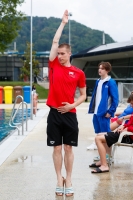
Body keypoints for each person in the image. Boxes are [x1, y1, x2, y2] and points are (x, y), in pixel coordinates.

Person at [46, 10, 86, 197]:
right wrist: (62, 23)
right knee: (56, 147)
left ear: (69, 54)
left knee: (68, 147)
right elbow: (55, 42)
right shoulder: (53, 64)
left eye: (63, 53)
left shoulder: (78, 73)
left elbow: (83, 95)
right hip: (54, 113)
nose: (60, 56)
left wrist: (72, 106)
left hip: (69, 114)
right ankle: (58, 178)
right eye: (58, 53)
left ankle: (68, 179)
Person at [87, 62, 119, 151]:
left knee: (105, 135)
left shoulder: (111, 82)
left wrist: (110, 112)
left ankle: (107, 156)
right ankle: (101, 154)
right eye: (99, 68)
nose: (99, 70)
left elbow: (115, 99)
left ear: (107, 70)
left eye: (102, 68)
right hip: (96, 112)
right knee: (99, 133)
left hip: (104, 113)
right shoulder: (98, 81)